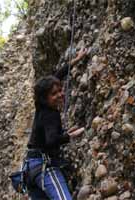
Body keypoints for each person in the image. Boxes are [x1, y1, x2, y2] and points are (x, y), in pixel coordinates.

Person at [26, 48, 87, 200]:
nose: (60, 94)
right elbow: (51, 140)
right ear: (44, 98)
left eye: (60, 90)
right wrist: (69, 136)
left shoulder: (40, 107)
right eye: (54, 94)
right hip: (44, 167)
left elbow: (57, 75)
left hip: (31, 168)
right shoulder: (50, 115)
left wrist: (76, 59)